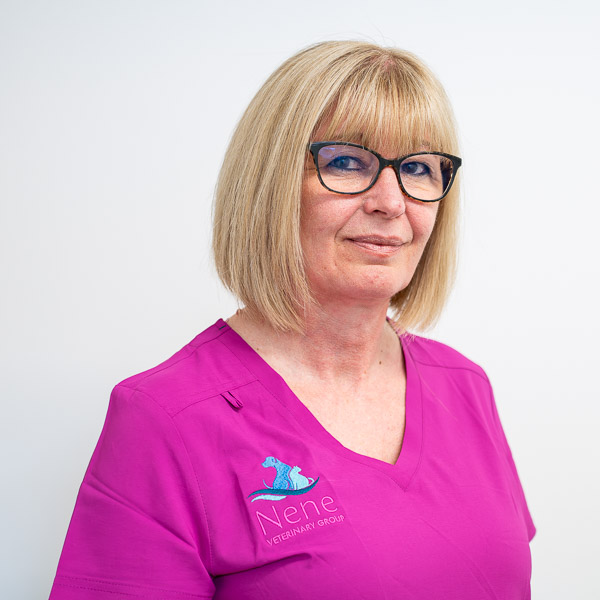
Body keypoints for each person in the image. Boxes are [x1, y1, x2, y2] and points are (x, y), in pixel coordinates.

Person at [49, 41, 535, 599]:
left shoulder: (465, 386)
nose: (391, 202)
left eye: (418, 168)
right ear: (270, 185)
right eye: (346, 162)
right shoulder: (167, 419)